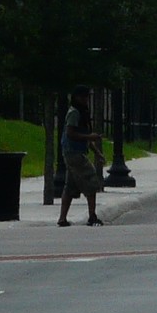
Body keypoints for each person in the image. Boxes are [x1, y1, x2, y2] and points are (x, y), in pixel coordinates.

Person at [56, 88, 105, 227]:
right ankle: (92, 216)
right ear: (76, 97)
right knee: (90, 179)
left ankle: (62, 218)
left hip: (74, 152)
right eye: (82, 97)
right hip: (73, 152)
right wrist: (90, 137)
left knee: (70, 185)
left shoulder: (82, 113)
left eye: (86, 97)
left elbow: (85, 137)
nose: (85, 100)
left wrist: (97, 152)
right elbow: (71, 133)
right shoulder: (74, 113)